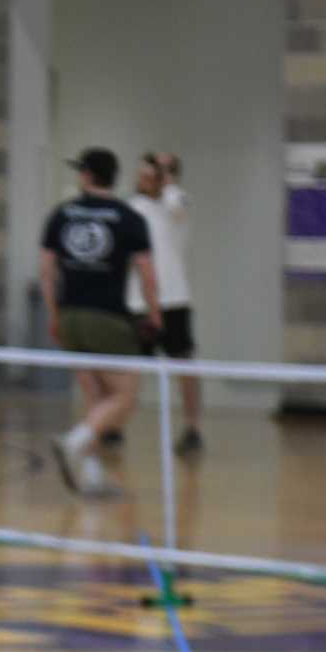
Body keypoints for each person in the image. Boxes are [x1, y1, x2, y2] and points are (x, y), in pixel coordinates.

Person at [41, 148, 159, 497]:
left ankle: (92, 475)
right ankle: (73, 442)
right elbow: (147, 273)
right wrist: (155, 314)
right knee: (125, 396)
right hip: (107, 317)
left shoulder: (60, 215)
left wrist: (53, 315)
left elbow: (47, 272)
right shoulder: (129, 218)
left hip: (71, 317)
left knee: (95, 397)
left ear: (88, 176)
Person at [134, 151, 202, 455]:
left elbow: (176, 209)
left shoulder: (178, 200)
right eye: (150, 167)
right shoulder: (133, 206)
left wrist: (167, 183)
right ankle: (111, 426)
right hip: (137, 301)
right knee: (127, 368)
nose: (151, 172)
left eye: (160, 168)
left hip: (174, 298)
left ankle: (193, 429)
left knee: (185, 365)